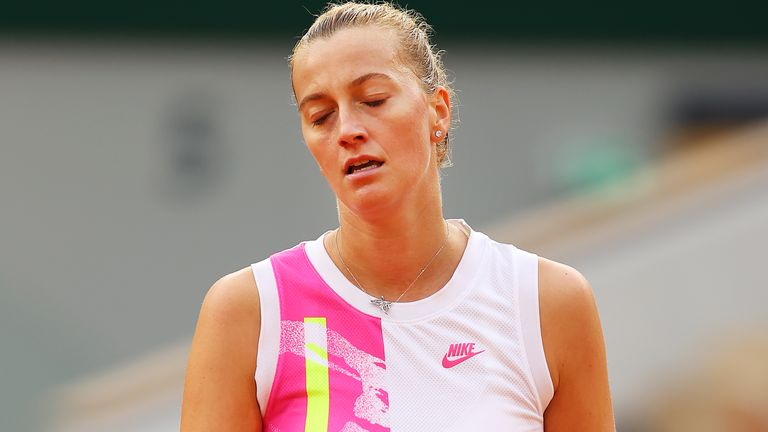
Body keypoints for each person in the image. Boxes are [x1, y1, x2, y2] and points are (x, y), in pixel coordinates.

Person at [180, 2, 615, 431]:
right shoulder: (246, 312)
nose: (348, 129)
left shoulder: (547, 302)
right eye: (321, 116)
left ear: (438, 111)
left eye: (372, 99)